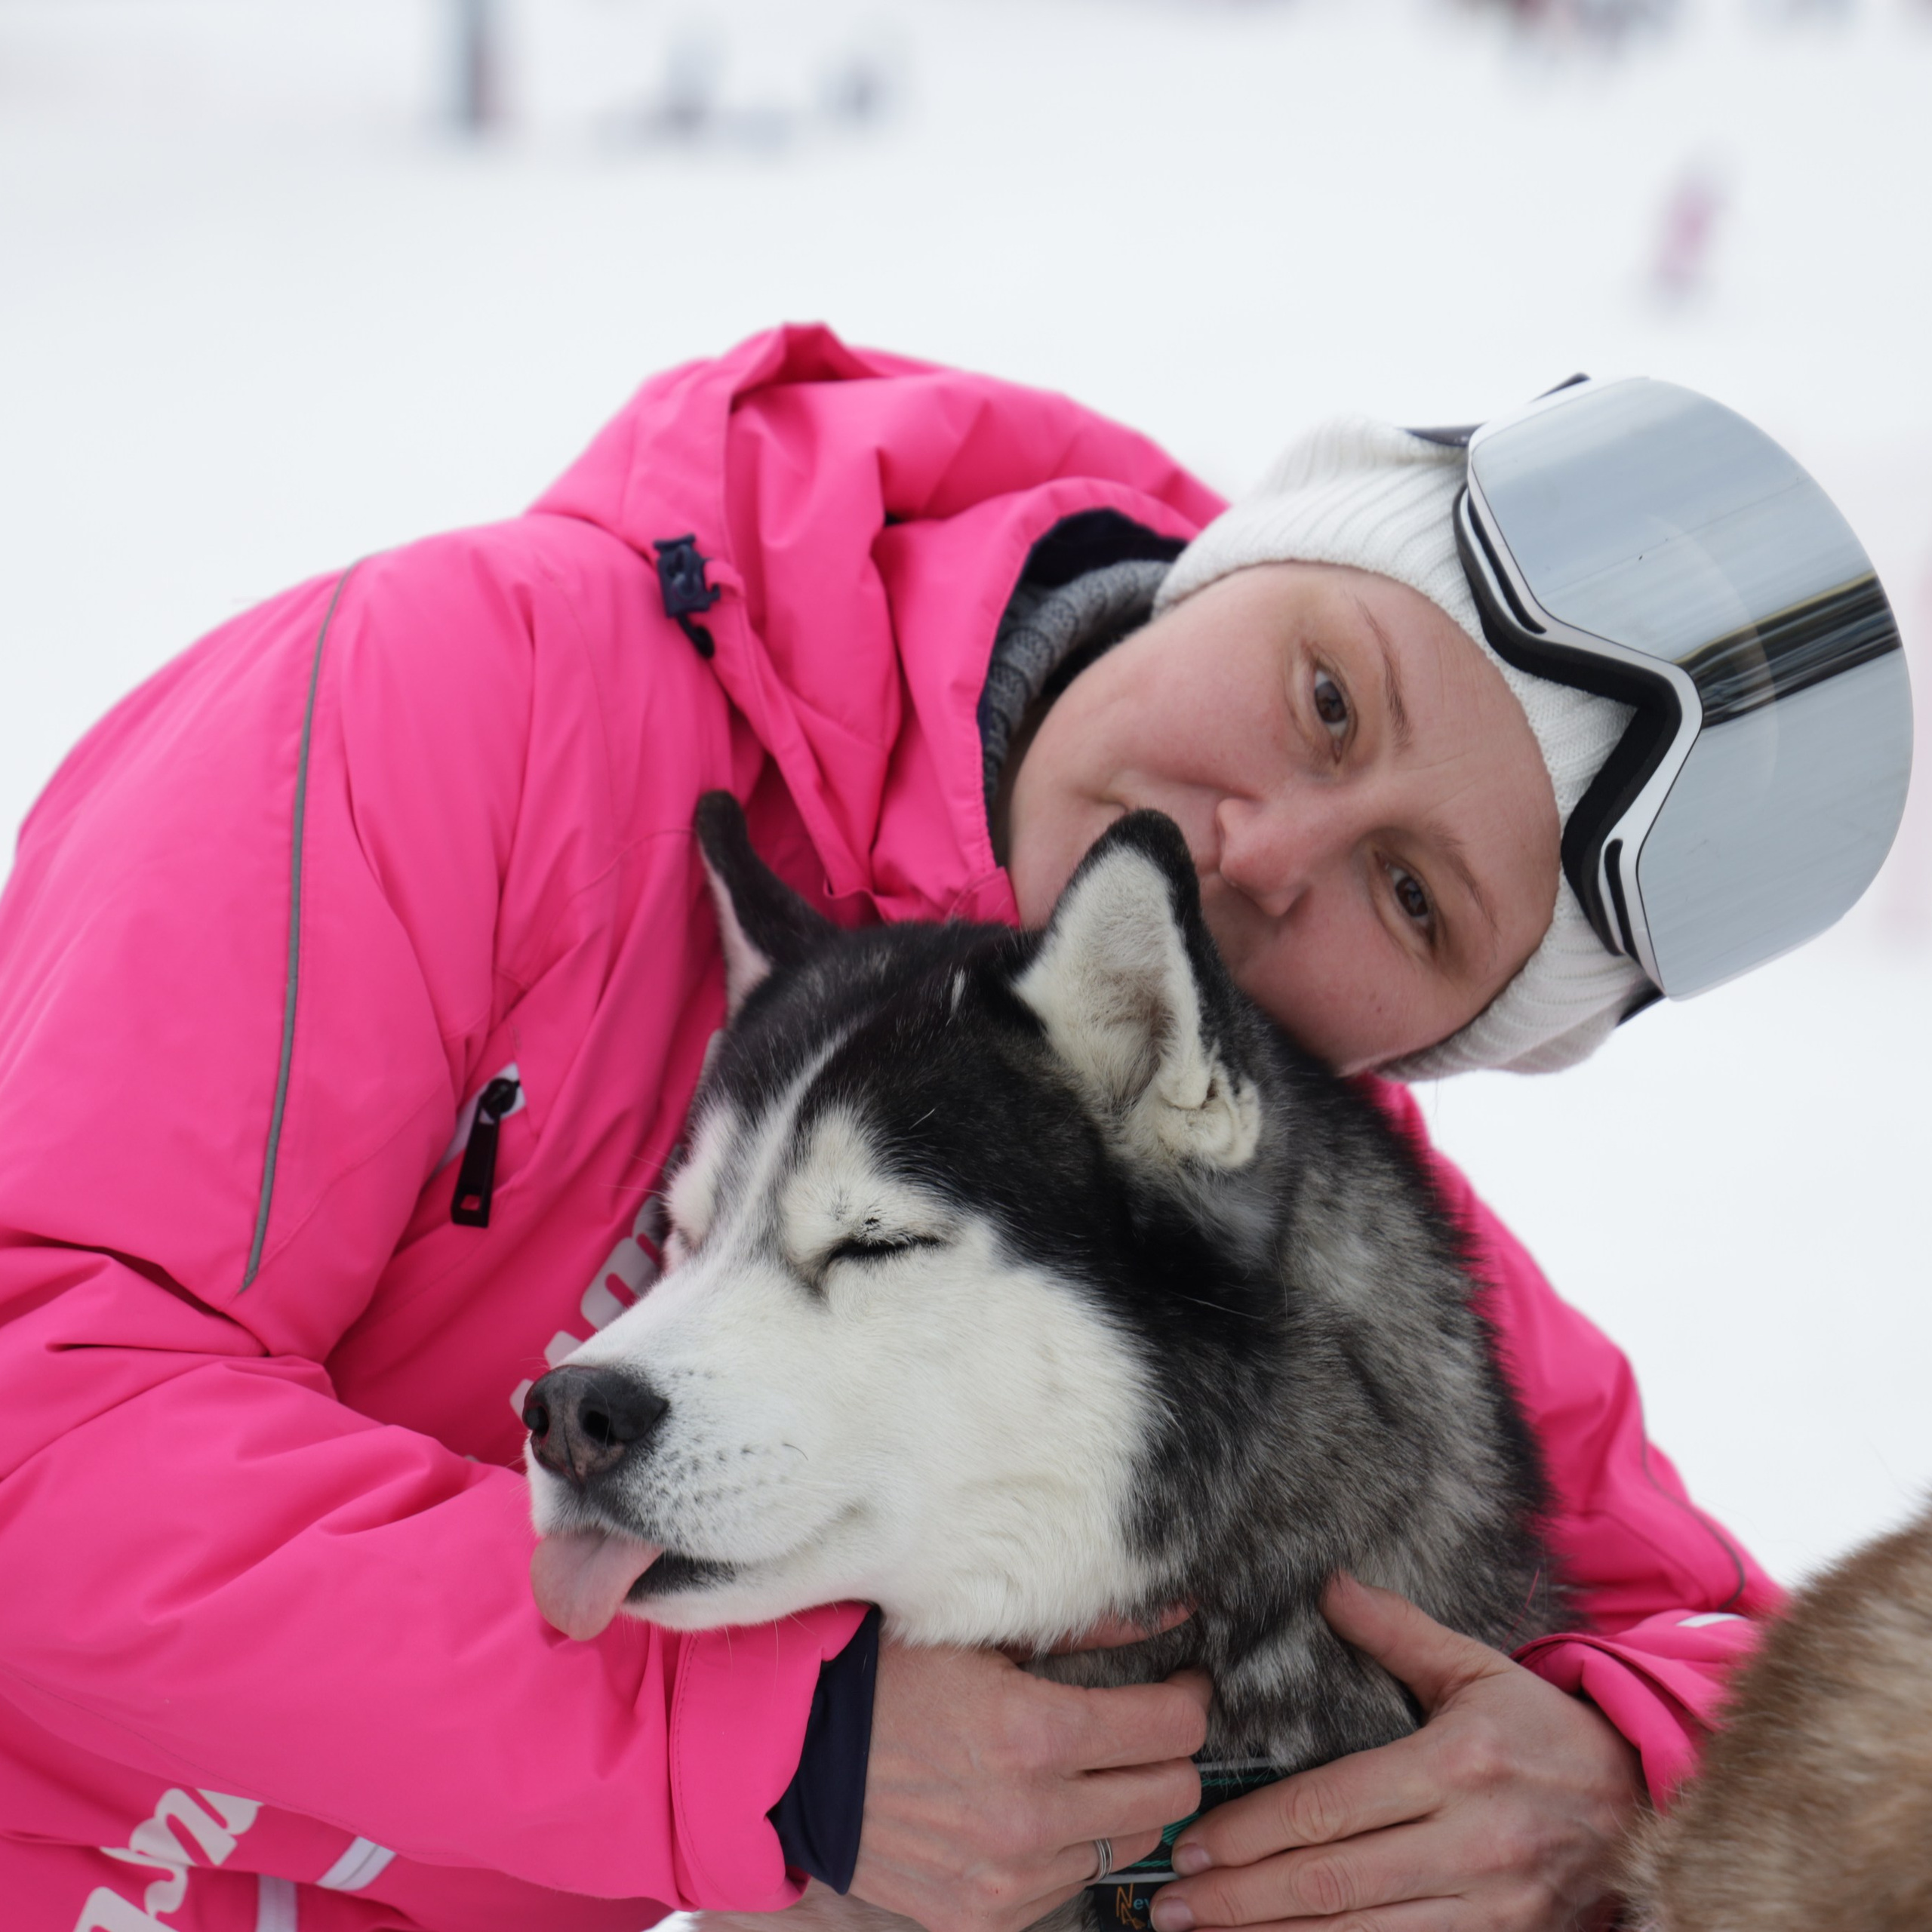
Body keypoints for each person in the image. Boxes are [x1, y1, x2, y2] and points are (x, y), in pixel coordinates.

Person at [0, 325, 1897, 1932]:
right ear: (1252, 555)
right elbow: (36, 1397)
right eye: (1326, 696)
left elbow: (1722, 1632)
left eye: (1410, 900)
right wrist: (766, 1749)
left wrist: (1594, 1750)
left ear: (1447, 1038)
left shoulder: (1236, 1180)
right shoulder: (477, 702)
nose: (1260, 855)